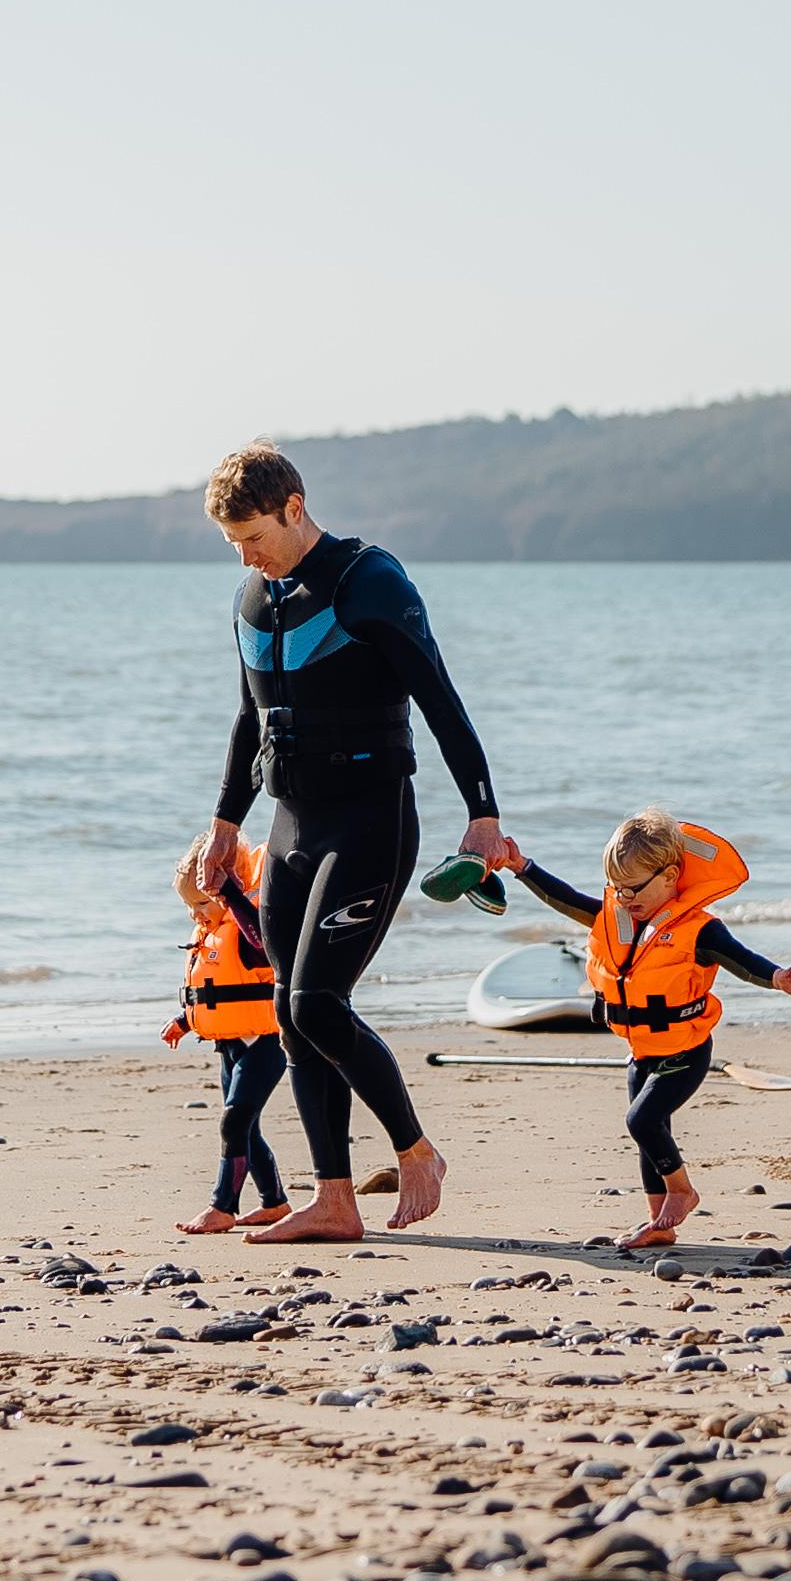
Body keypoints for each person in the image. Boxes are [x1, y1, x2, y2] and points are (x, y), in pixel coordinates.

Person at [184, 441, 521, 1242]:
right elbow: (248, 719)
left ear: (293, 507)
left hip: (370, 818)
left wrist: (482, 813)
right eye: (232, 543)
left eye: (253, 536)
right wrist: (224, 826)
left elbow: (440, 698)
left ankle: (415, 1150)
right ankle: (333, 1198)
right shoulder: (252, 599)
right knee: (288, 1013)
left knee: (316, 1003)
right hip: (291, 821)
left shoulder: (369, 581)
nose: (245, 555)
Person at [514, 812, 791, 1249]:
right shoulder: (619, 917)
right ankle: (659, 1225)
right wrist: (523, 867)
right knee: (650, 1139)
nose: (624, 896)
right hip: (642, 1050)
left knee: (643, 1120)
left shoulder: (700, 930)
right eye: (617, 886)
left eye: (633, 887)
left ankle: (683, 1191)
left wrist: (777, 979)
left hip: (686, 1052)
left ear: (671, 875)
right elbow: (566, 899)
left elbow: (742, 958)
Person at [160, 839, 291, 1234]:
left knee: (234, 1123)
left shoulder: (249, 925)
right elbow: (218, 991)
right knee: (246, 1127)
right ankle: (275, 1203)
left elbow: (262, 950)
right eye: (189, 905)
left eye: (202, 903)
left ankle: (223, 1207)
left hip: (265, 1044)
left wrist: (233, 894)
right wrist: (185, 1020)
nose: (194, 913)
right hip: (231, 1045)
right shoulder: (213, 932)